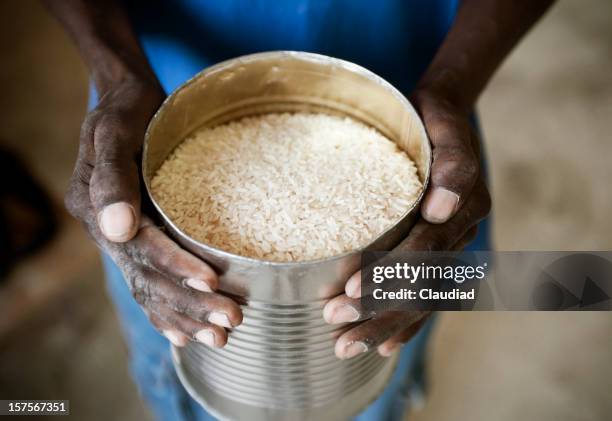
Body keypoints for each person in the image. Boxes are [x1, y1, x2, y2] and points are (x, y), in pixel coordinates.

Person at [46, 1, 553, 420]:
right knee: (179, 347)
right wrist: (117, 75)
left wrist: (453, 85)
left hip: (422, 102)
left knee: (383, 343)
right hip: (154, 91)